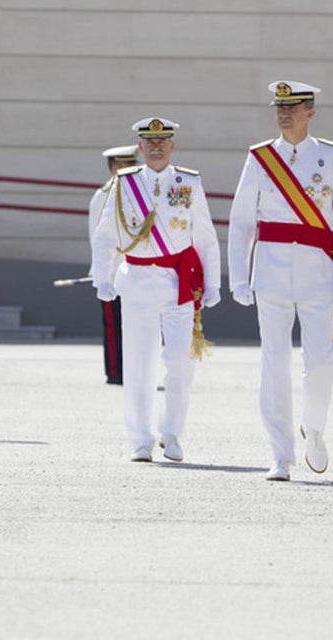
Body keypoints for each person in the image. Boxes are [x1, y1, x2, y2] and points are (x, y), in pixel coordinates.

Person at [227, 81, 333, 481]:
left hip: (318, 273)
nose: (285, 114)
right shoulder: (260, 158)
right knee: (274, 363)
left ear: (311, 112)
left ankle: (314, 427)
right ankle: (280, 454)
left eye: (294, 107)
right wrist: (239, 275)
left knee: (320, 360)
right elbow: (241, 223)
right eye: (279, 108)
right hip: (269, 273)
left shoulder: (331, 157)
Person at [91, 117, 221, 463]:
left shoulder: (188, 182)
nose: (157, 147)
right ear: (140, 148)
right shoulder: (124, 183)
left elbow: (205, 234)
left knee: (179, 359)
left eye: (163, 142)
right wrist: (101, 277)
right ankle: (141, 439)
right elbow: (105, 234)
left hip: (176, 283)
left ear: (172, 146)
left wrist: (213, 282)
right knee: (138, 363)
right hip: (135, 280)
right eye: (150, 142)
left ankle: (172, 432)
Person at [88, 144, 139, 385]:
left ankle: (132, 370)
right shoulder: (104, 195)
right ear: (115, 168)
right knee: (113, 325)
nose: (133, 170)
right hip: (113, 271)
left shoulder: (138, 192)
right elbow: (99, 238)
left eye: (133, 165)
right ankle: (116, 371)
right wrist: (103, 274)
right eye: (127, 165)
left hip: (135, 271)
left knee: (134, 326)